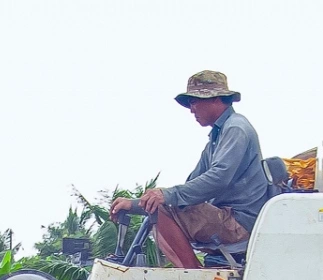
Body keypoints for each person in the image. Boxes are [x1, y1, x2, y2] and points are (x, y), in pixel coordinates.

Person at [110, 70, 272, 268]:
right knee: (160, 209)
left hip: (239, 222)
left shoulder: (236, 128)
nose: (191, 109)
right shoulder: (216, 137)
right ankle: (190, 272)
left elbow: (218, 178)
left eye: (194, 102)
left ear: (216, 99)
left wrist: (164, 196)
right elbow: (192, 187)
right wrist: (134, 204)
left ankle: (193, 275)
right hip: (225, 216)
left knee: (162, 207)